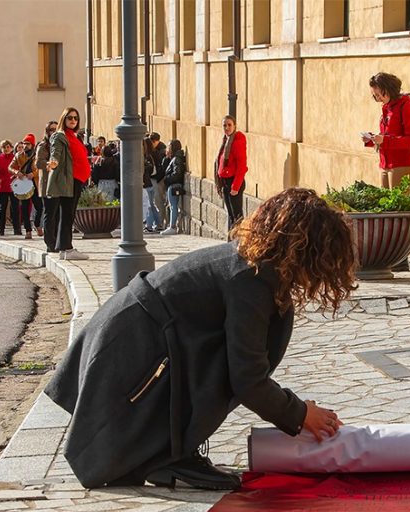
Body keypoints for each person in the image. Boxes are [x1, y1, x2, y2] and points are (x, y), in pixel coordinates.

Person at [45, 187, 356, 490]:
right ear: (307, 250)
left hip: (137, 332)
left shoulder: (254, 268)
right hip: (133, 342)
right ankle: (165, 459)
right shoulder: (251, 279)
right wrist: (301, 415)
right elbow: (247, 378)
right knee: (125, 444)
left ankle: (168, 456)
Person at [44, 107, 90, 261]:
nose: (73, 120)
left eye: (75, 118)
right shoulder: (60, 136)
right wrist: (54, 162)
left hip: (76, 180)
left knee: (67, 215)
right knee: (67, 214)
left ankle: (64, 248)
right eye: (70, 117)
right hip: (69, 180)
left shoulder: (74, 136)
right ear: (64, 118)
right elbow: (55, 153)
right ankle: (67, 248)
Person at [362, 72, 410, 189]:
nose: (378, 99)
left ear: (388, 89)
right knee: (385, 205)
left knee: (397, 206)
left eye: (379, 95)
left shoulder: (406, 106)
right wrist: (372, 139)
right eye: (375, 96)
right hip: (385, 164)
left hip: (401, 164)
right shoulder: (387, 107)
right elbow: (388, 135)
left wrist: (385, 140)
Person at [214, 115, 247, 228]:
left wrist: (235, 187)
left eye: (229, 125)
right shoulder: (226, 141)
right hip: (225, 182)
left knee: (237, 216)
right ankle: (233, 240)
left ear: (235, 126)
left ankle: (239, 241)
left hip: (233, 182)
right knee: (231, 216)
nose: (227, 127)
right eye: (224, 125)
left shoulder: (237, 142)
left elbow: (242, 166)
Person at [35, 120, 58, 252]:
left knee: (58, 214)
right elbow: (39, 163)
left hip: (59, 184)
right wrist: (51, 163)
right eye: (51, 130)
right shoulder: (43, 145)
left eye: (56, 129)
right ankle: (50, 243)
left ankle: (58, 240)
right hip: (47, 184)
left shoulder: (59, 144)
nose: (53, 132)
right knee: (50, 214)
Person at [162, 139, 186, 235]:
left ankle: (172, 226)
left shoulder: (176, 159)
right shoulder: (174, 158)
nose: (167, 149)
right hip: (172, 185)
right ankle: (171, 225)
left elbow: (177, 173)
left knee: (173, 207)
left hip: (174, 185)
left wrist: (167, 179)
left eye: (169, 147)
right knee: (172, 206)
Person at [141, 137, 162, 233]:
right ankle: (158, 223)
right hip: (151, 182)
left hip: (148, 183)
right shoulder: (152, 155)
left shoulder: (146, 156)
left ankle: (149, 225)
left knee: (149, 205)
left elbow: (149, 170)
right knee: (152, 205)